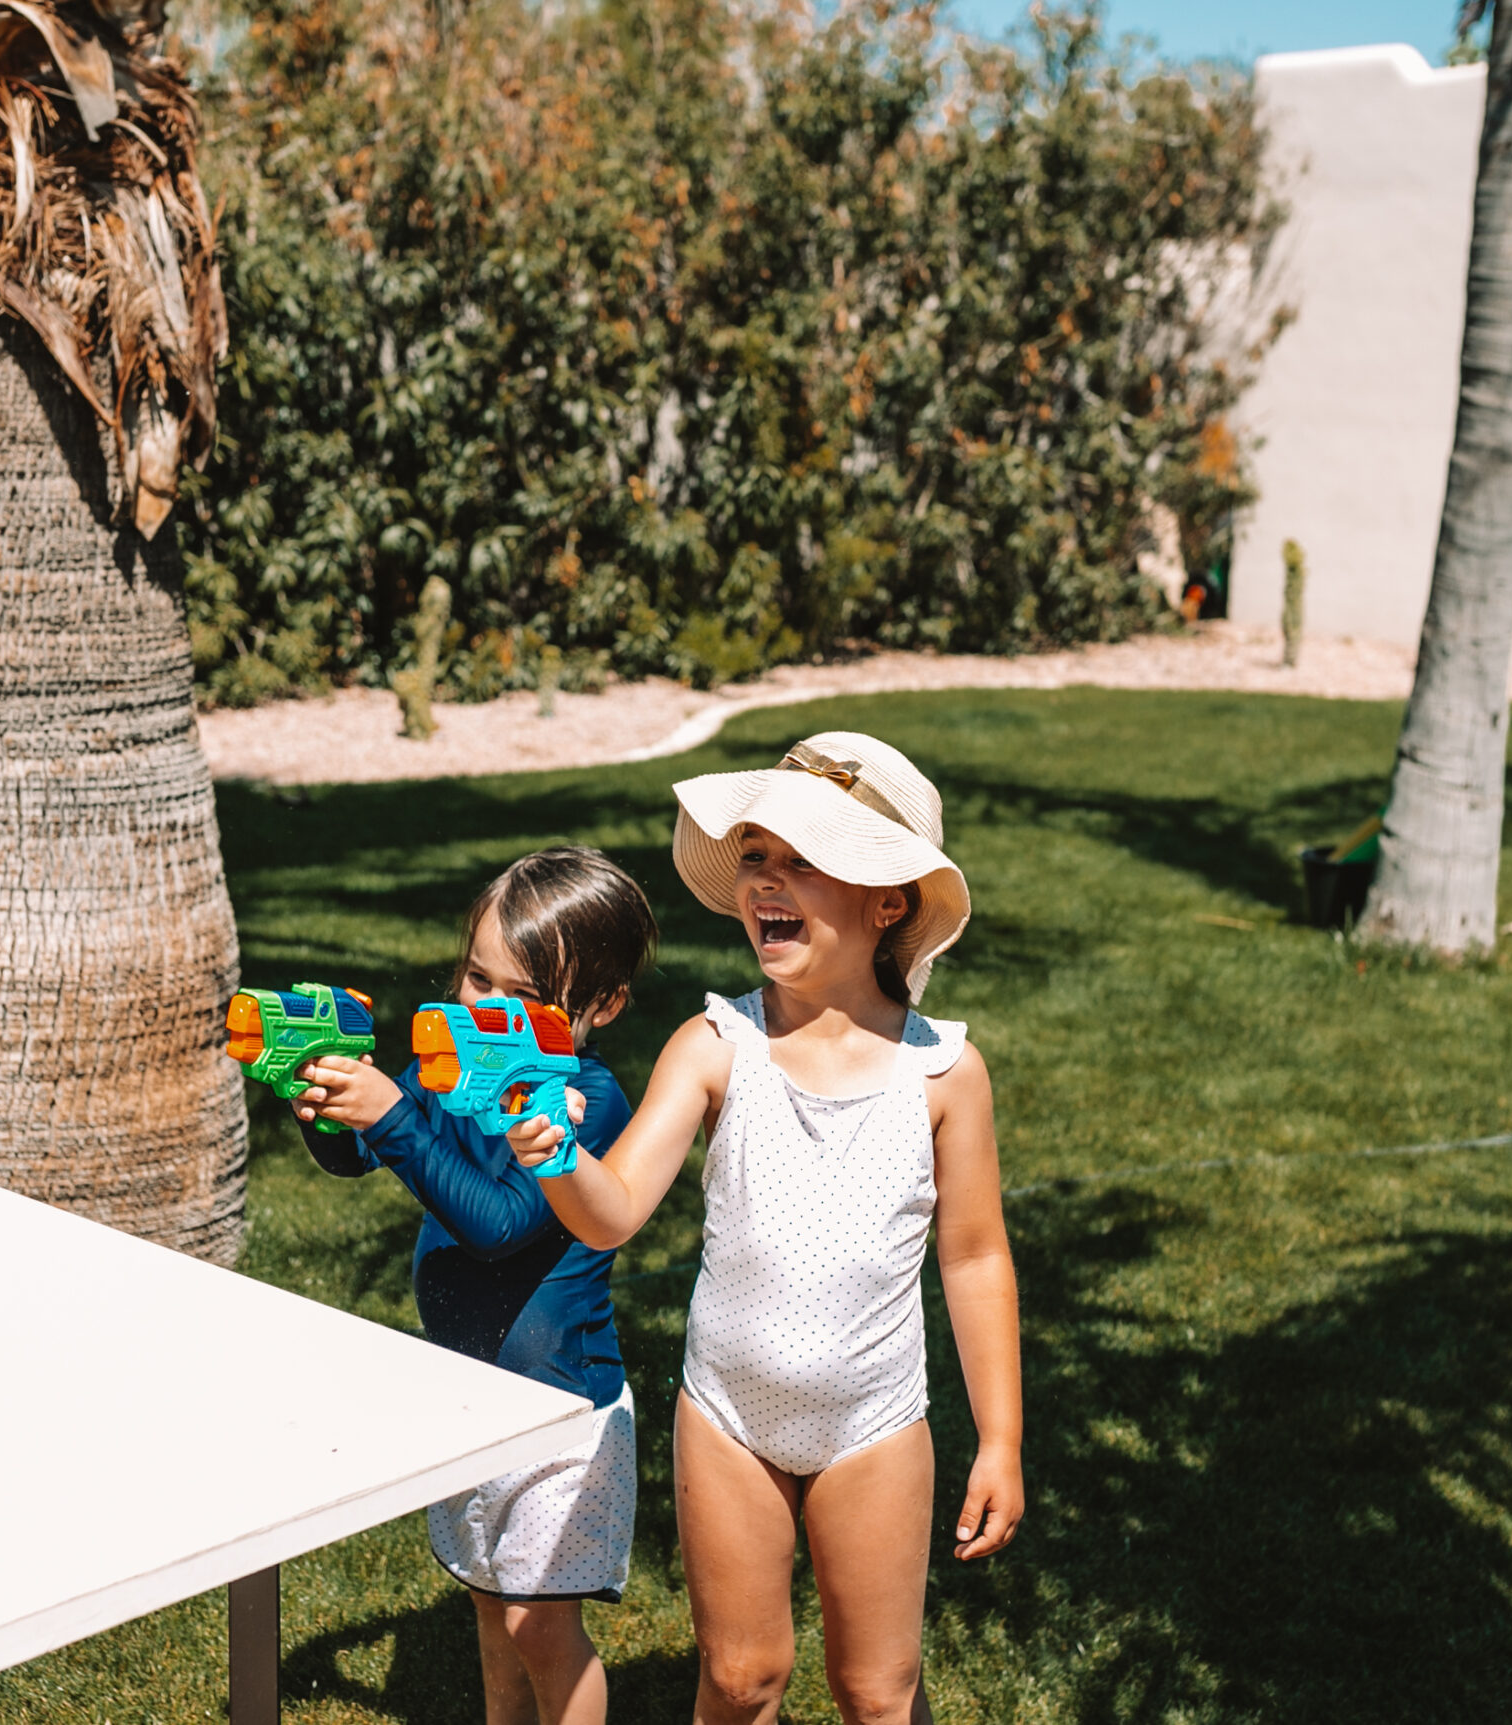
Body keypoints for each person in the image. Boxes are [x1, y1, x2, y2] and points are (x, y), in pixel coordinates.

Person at [506, 734, 1024, 1725]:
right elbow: (612, 1209)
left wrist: (997, 1436)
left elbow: (973, 1257)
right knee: (741, 1679)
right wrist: (556, 1159)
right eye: (754, 856)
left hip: (873, 1422)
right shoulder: (714, 1045)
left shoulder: (944, 1075)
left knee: (876, 1690)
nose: (766, 881)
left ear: (888, 898)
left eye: (802, 859)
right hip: (727, 1417)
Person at [291, 846, 658, 1725]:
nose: (482, 1006)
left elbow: (496, 1225)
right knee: (493, 1608)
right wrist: (328, 1103)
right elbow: (360, 1150)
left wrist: (394, 1115)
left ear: (600, 1006)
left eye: (519, 995)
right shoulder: (447, 1067)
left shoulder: (588, 1102)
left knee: (538, 1620)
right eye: (474, 976)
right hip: (466, 1399)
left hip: (563, 1411)